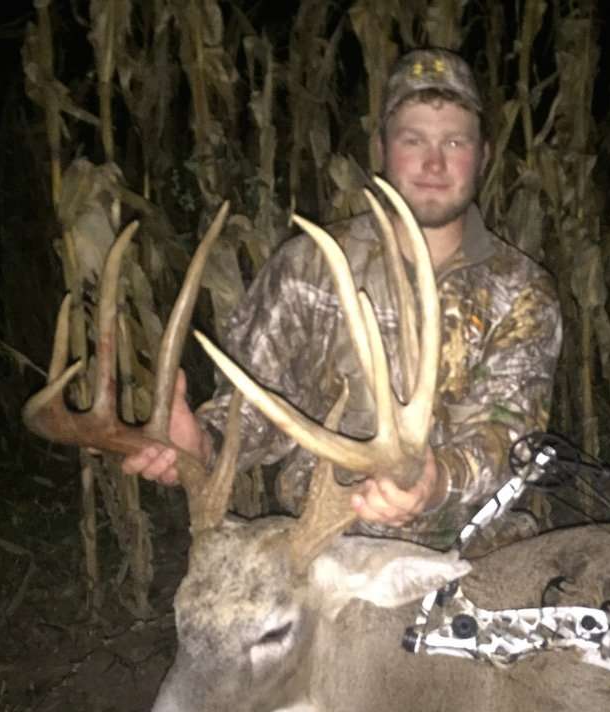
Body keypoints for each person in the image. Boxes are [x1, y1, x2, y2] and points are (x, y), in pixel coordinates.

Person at [123, 48, 562, 548]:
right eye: (412, 139)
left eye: (455, 141)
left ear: (483, 155)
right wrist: (204, 441)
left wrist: (435, 481)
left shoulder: (522, 291)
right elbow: (258, 407)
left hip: (475, 551)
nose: (434, 162)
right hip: (324, 548)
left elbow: (509, 436)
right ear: (380, 149)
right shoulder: (309, 266)